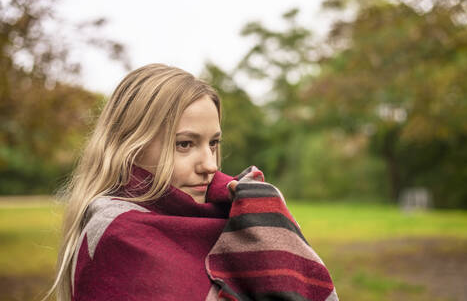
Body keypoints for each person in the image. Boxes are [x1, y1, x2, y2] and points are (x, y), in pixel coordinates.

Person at [46, 64, 338, 301]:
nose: (210, 165)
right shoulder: (118, 236)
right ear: (130, 146)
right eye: (185, 144)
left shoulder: (245, 214)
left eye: (213, 143)